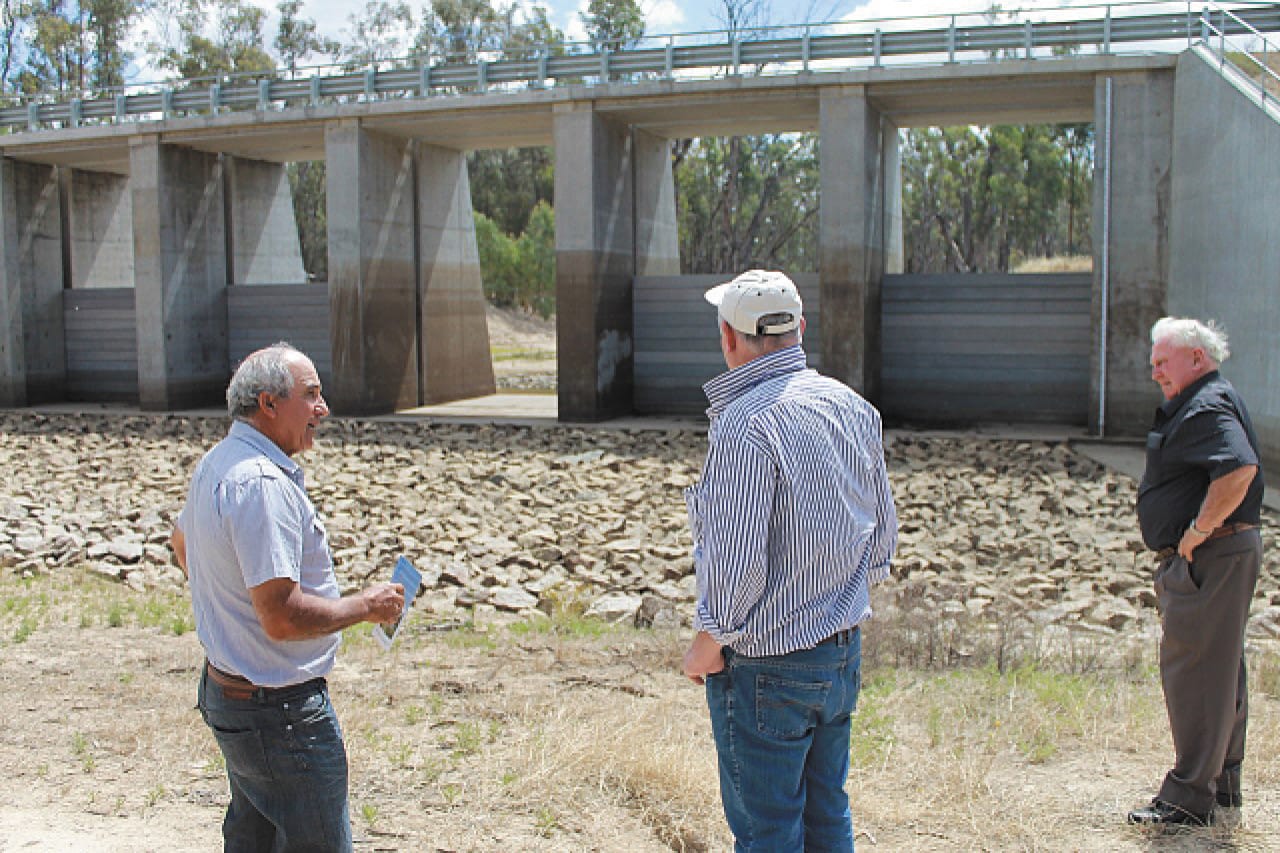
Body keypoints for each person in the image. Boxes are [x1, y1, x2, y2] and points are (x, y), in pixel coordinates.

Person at [681, 270, 898, 851]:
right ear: (800, 328)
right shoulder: (853, 407)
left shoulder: (744, 425)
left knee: (768, 831)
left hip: (765, 666)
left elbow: (737, 559)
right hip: (841, 648)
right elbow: (881, 539)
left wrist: (709, 639)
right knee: (828, 817)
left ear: (729, 338)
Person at [170, 343, 405, 852]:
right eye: (312, 395)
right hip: (279, 713)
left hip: (234, 695)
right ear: (268, 404)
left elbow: (181, 543)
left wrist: (227, 602)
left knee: (255, 839)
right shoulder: (260, 483)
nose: (324, 409)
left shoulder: (218, 462)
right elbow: (281, 617)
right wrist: (367, 606)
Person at [1127, 317, 1265, 828]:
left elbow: (1239, 468)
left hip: (1212, 556)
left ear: (1197, 358)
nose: (1156, 371)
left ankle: (1187, 800)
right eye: (1154, 363)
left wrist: (1198, 531)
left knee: (1196, 673)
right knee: (1220, 670)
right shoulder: (1208, 399)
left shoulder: (1206, 404)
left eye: (1163, 361)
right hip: (1223, 555)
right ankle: (1221, 789)